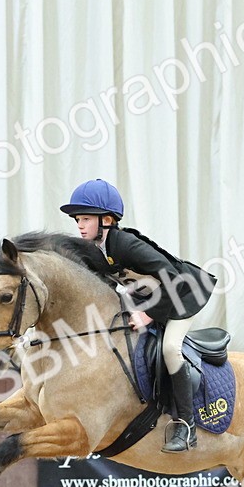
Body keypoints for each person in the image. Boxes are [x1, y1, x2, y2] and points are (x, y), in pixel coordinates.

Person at [60, 179, 216, 453]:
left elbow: (173, 279)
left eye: (85, 218)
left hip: (184, 293)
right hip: (153, 296)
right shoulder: (98, 250)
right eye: (77, 220)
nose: (80, 225)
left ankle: (187, 426)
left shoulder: (126, 244)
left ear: (107, 220)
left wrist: (149, 316)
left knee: (170, 349)